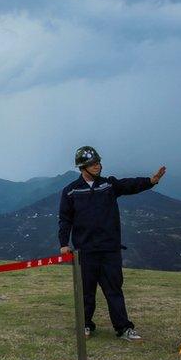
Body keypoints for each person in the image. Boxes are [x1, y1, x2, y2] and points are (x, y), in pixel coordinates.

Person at [58, 146, 166, 341]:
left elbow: (128, 185)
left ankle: (123, 328)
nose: (98, 166)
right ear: (82, 167)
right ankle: (85, 325)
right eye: (93, 163)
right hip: (85, 251)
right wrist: (63, 243)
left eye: (98, 162)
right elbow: (65, 219)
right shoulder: (71, 191)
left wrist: (150, 181)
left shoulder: (108, 185)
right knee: (86, 293)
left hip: (110, 250)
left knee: (114, 290)